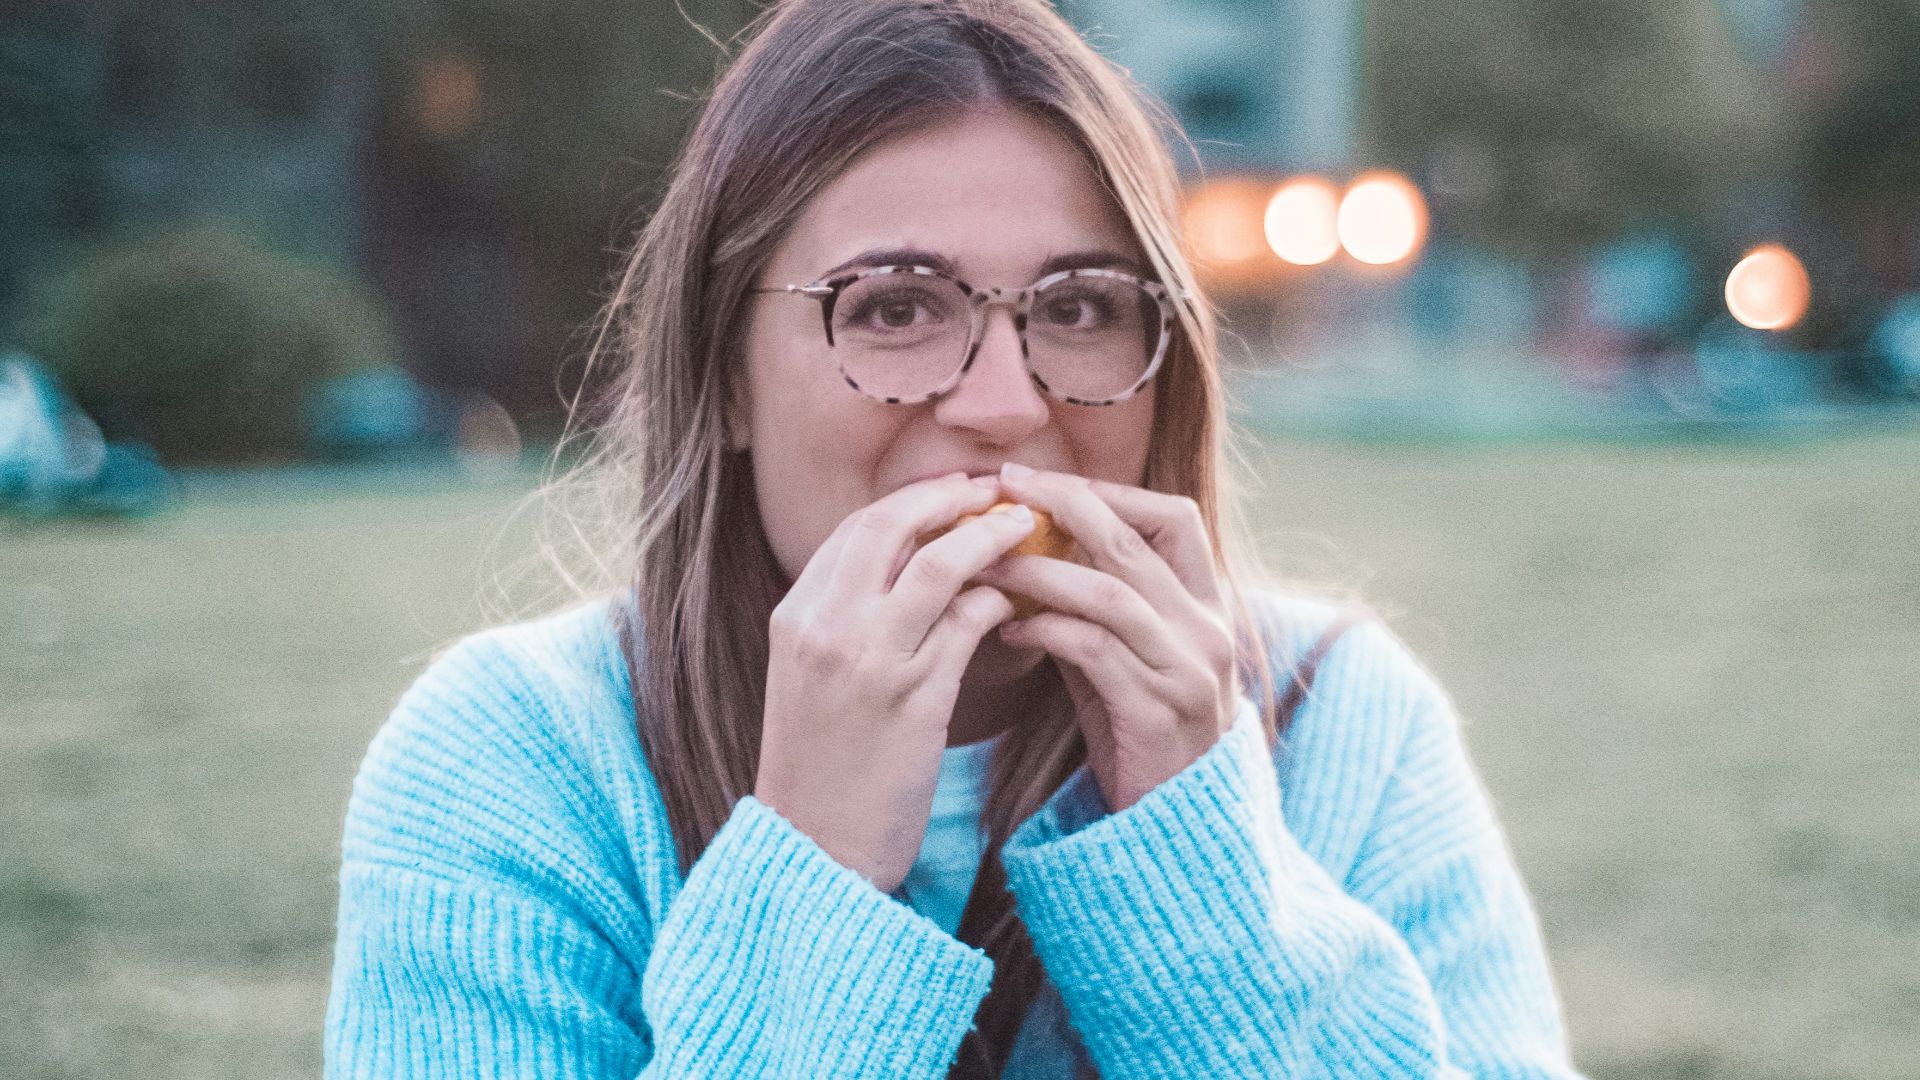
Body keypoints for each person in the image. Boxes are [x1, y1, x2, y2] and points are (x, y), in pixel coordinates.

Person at [324, 1, 1582, 1077]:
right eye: (894, 308)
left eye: (1080, 306)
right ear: (723, 379)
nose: (1003, 405)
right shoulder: (524, 760)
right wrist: (810, 883)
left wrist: (1207, 874)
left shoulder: (1337, 726)